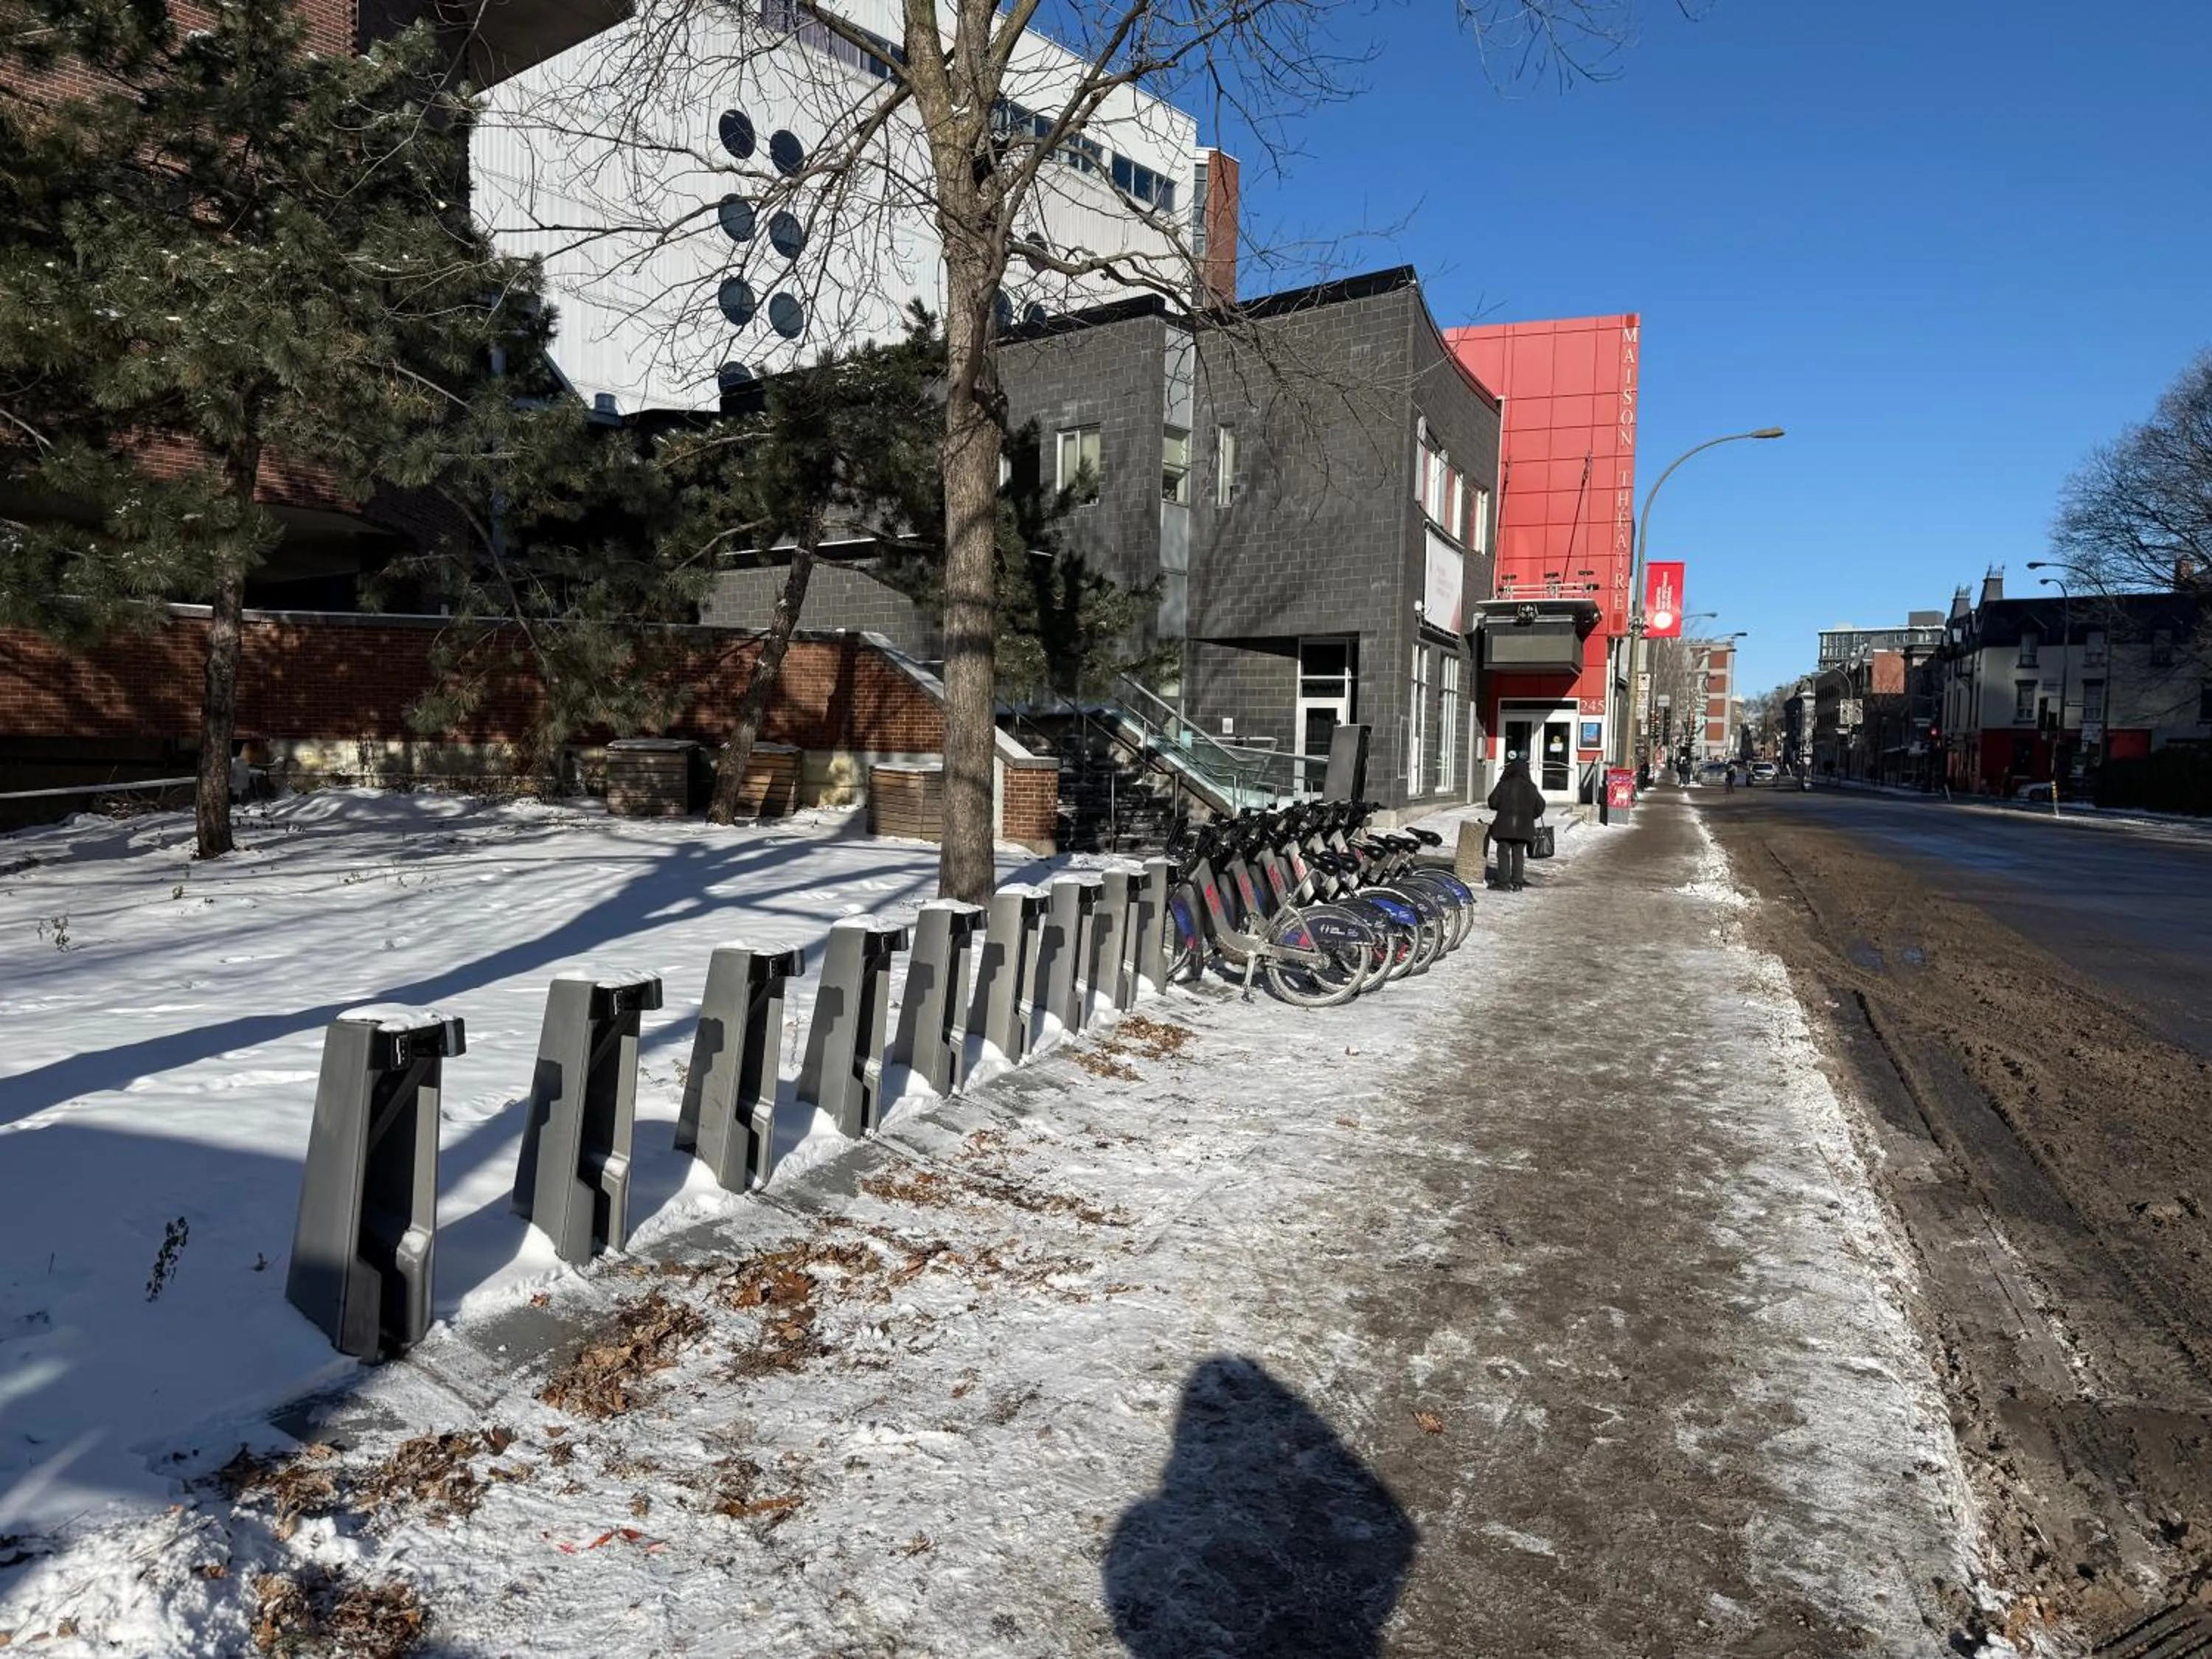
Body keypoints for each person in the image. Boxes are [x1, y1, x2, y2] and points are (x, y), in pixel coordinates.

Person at [1486, 754, 1546, 891]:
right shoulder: (1531, 787)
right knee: (1519, 853)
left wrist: (1503, 806)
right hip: (1523, 827)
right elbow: (1541, 806)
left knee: (1503, 852)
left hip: (1504, 826)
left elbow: (1492, 802)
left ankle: (1503, 882)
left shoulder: (1504, 784)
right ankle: (1517, 882)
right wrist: (1530, 815)